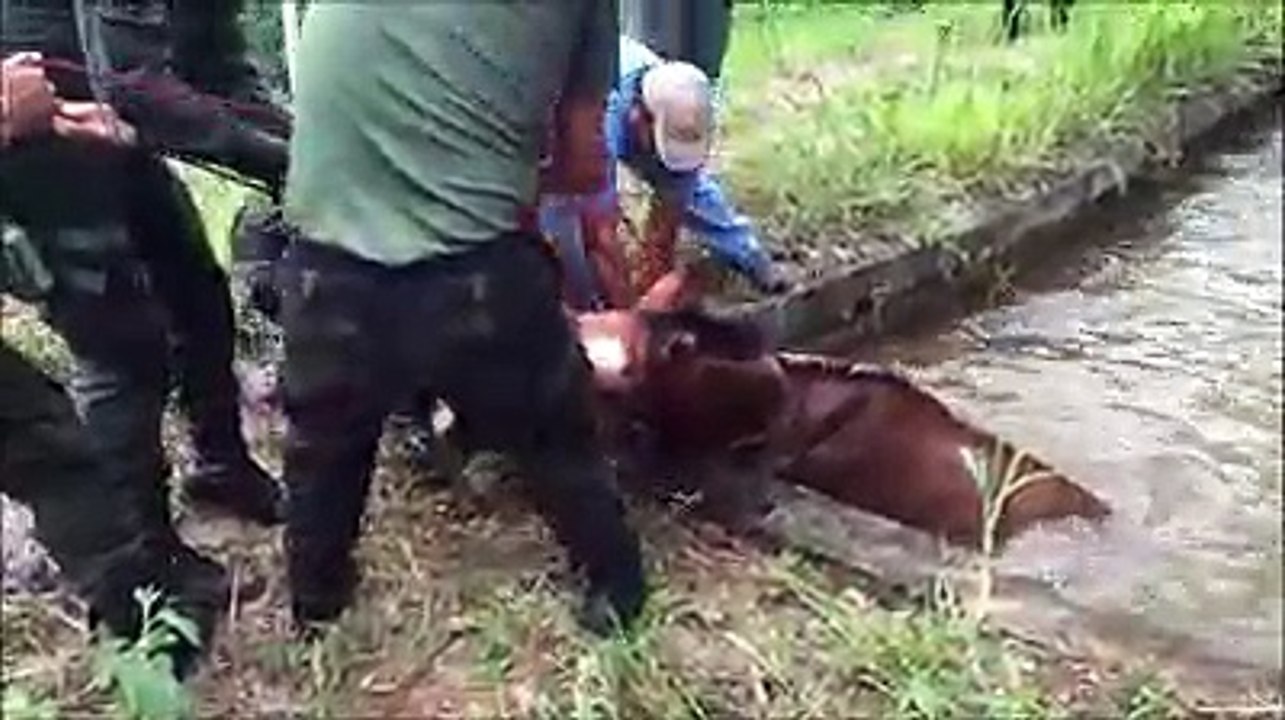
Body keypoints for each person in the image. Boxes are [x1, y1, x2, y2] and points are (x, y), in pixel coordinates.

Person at [280, 2, 647, 636]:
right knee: (556, 438)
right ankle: (614, 589)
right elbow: (583, 165)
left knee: (323, 450)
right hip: (474, 279)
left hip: (325, 273)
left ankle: (317, 603)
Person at [0, 0, 289, 537]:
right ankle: (140, 560)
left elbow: (215, 63)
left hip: (106, 122)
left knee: (198, 292)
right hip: (36, 134)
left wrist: (297, 145)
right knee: (122, 349)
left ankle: (221, 467)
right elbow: (136, 85)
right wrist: (282, 161)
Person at [2, 50, 226, 682]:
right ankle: (150, 631)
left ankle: (147, 603)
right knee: (45, 435)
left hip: (69, 137)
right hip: (52, 163)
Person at [540, 33, 785, 312]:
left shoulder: (682, 105)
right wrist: (630, 319)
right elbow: (600, 233)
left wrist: (655, 294)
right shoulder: (602, 122)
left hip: (647, 115)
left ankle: (750, 256)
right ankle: (579, 312)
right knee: (566, 229)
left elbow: (667, 219)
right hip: (565, 102)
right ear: (639, 119)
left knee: (692, 190)